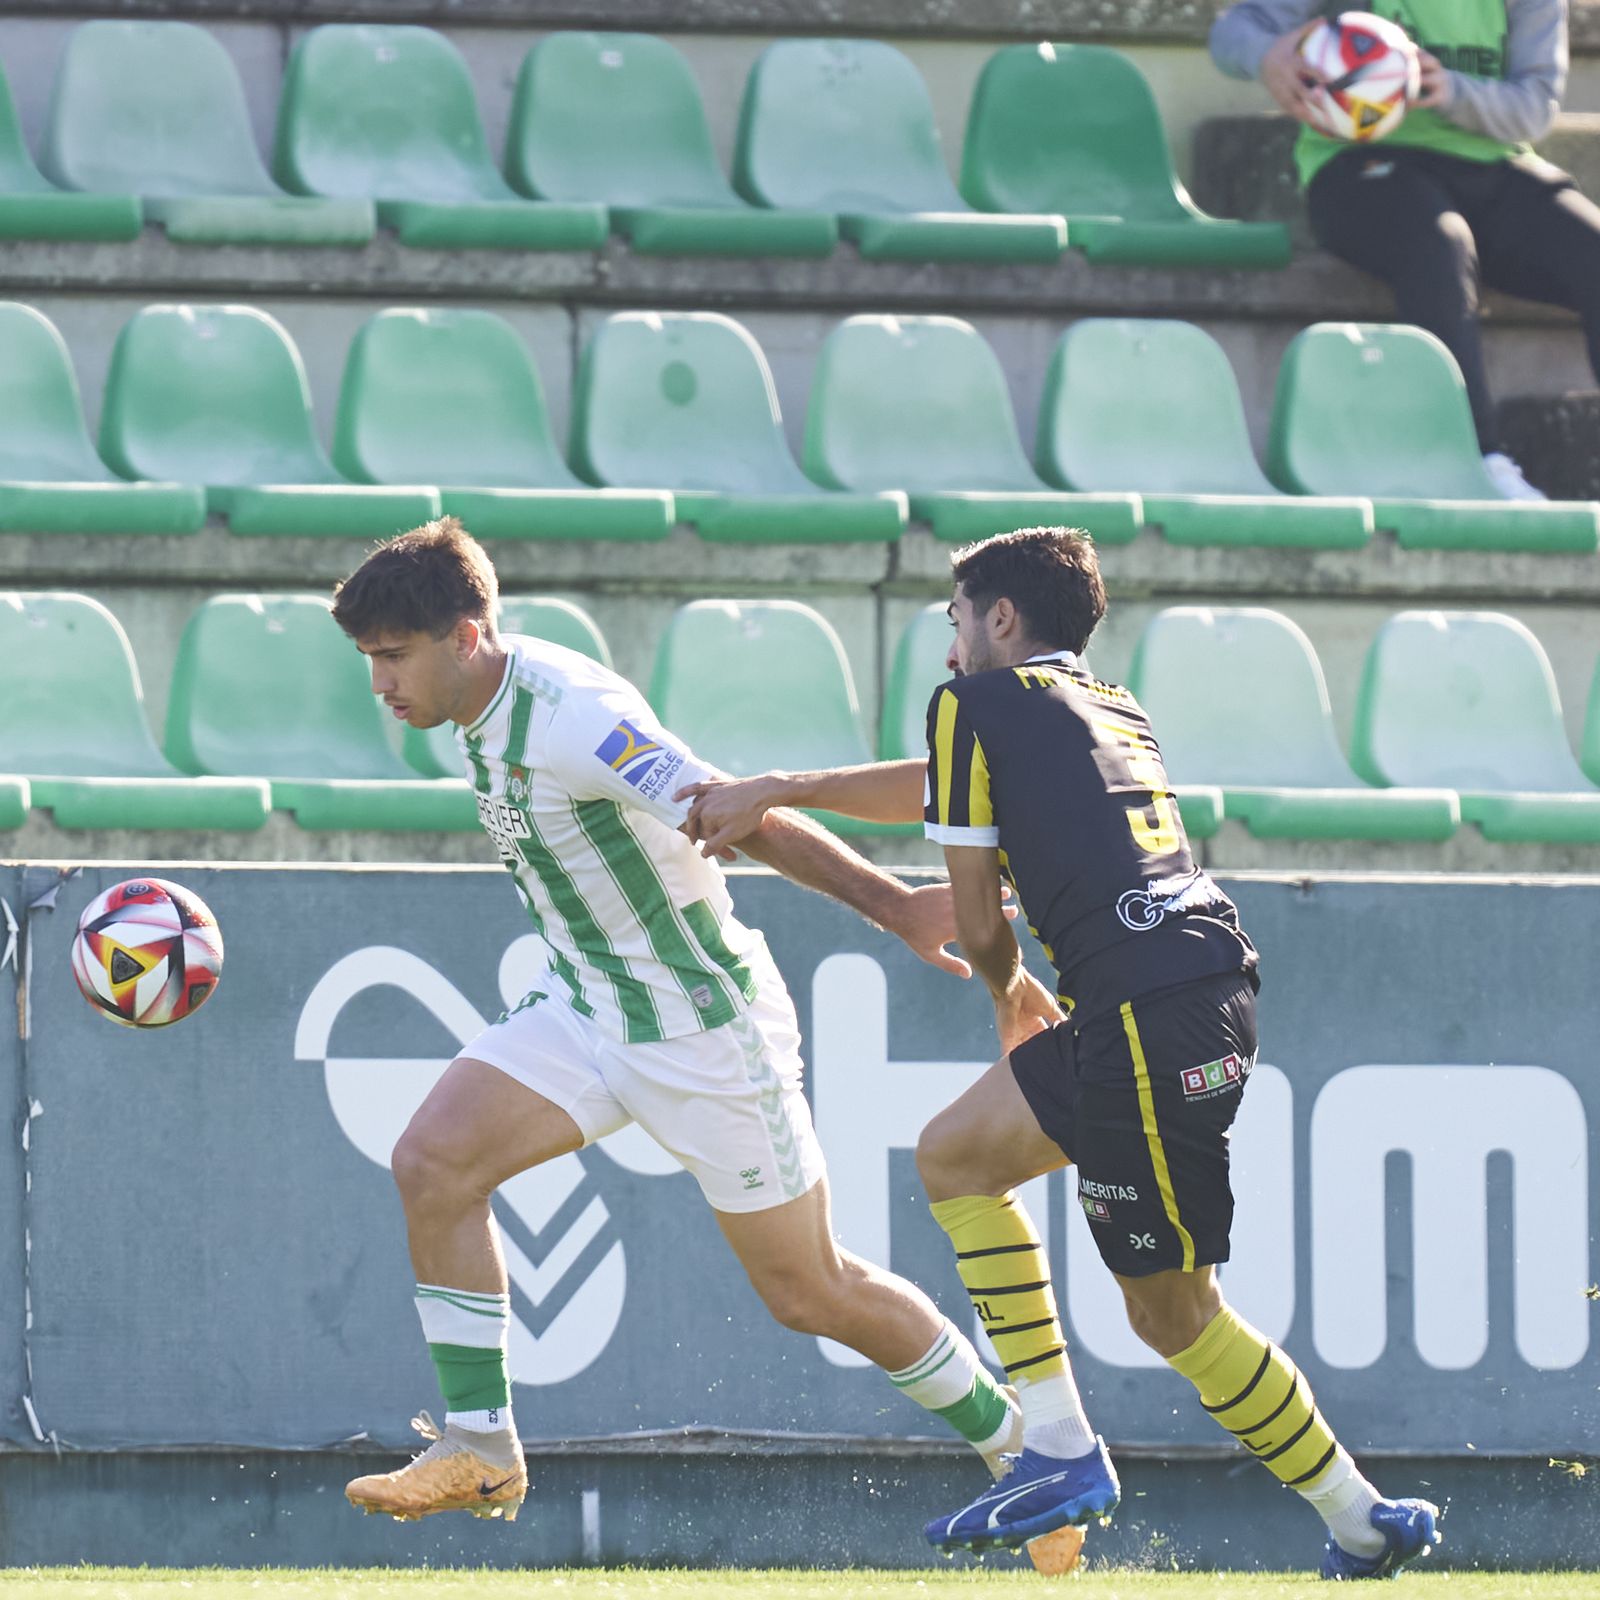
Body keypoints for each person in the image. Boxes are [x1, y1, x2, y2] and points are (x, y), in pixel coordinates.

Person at [678, 526, 1441, 1580]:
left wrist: (1001, 994)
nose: (948, 652)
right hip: (1184, 994)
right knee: (957, 1157)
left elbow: (980, 921)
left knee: (1173, 1313)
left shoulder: (974, 705)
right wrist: (782, 786)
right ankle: (1340, 1514)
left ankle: (1104, 1462)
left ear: (998, 616)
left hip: (1143, 1018)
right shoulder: (1109, 705)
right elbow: (933, 780)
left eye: (955, 622)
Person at [323, 517, 1040, 1536]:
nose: (381, 684)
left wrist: (897, 906)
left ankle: (1022, 1449)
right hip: (585, 999)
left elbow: (730, 807)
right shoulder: (474, 709)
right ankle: (480, 1446)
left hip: (703, 1026)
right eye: (367, 661)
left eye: (392, 658)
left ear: (468, 635)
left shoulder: (573, 716)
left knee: (812, 1289)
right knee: (433, 1162)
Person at [1212, 0, 1600, 502]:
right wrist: (1268, 55)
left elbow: (1535, 105)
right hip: (1357, 165)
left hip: (1491, 161)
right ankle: (1480, 461)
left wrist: (1450, 90)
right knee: (1440, 244)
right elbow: (1232, 34)